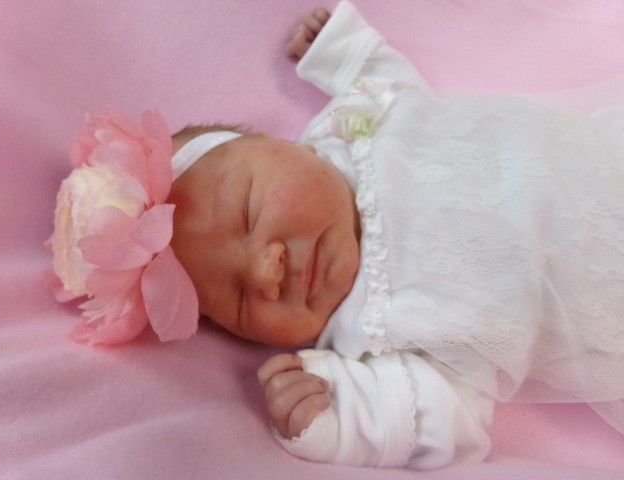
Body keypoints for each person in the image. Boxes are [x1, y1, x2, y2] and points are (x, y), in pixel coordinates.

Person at [48, 1, 624, 470]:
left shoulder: (350, 132)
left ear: (283, 145)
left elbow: (399, 91)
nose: (266, 271)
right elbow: (447, 417)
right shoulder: (372, 329)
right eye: (241, 300)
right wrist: (340, 414)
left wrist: (343, 52)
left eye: (248, 212)